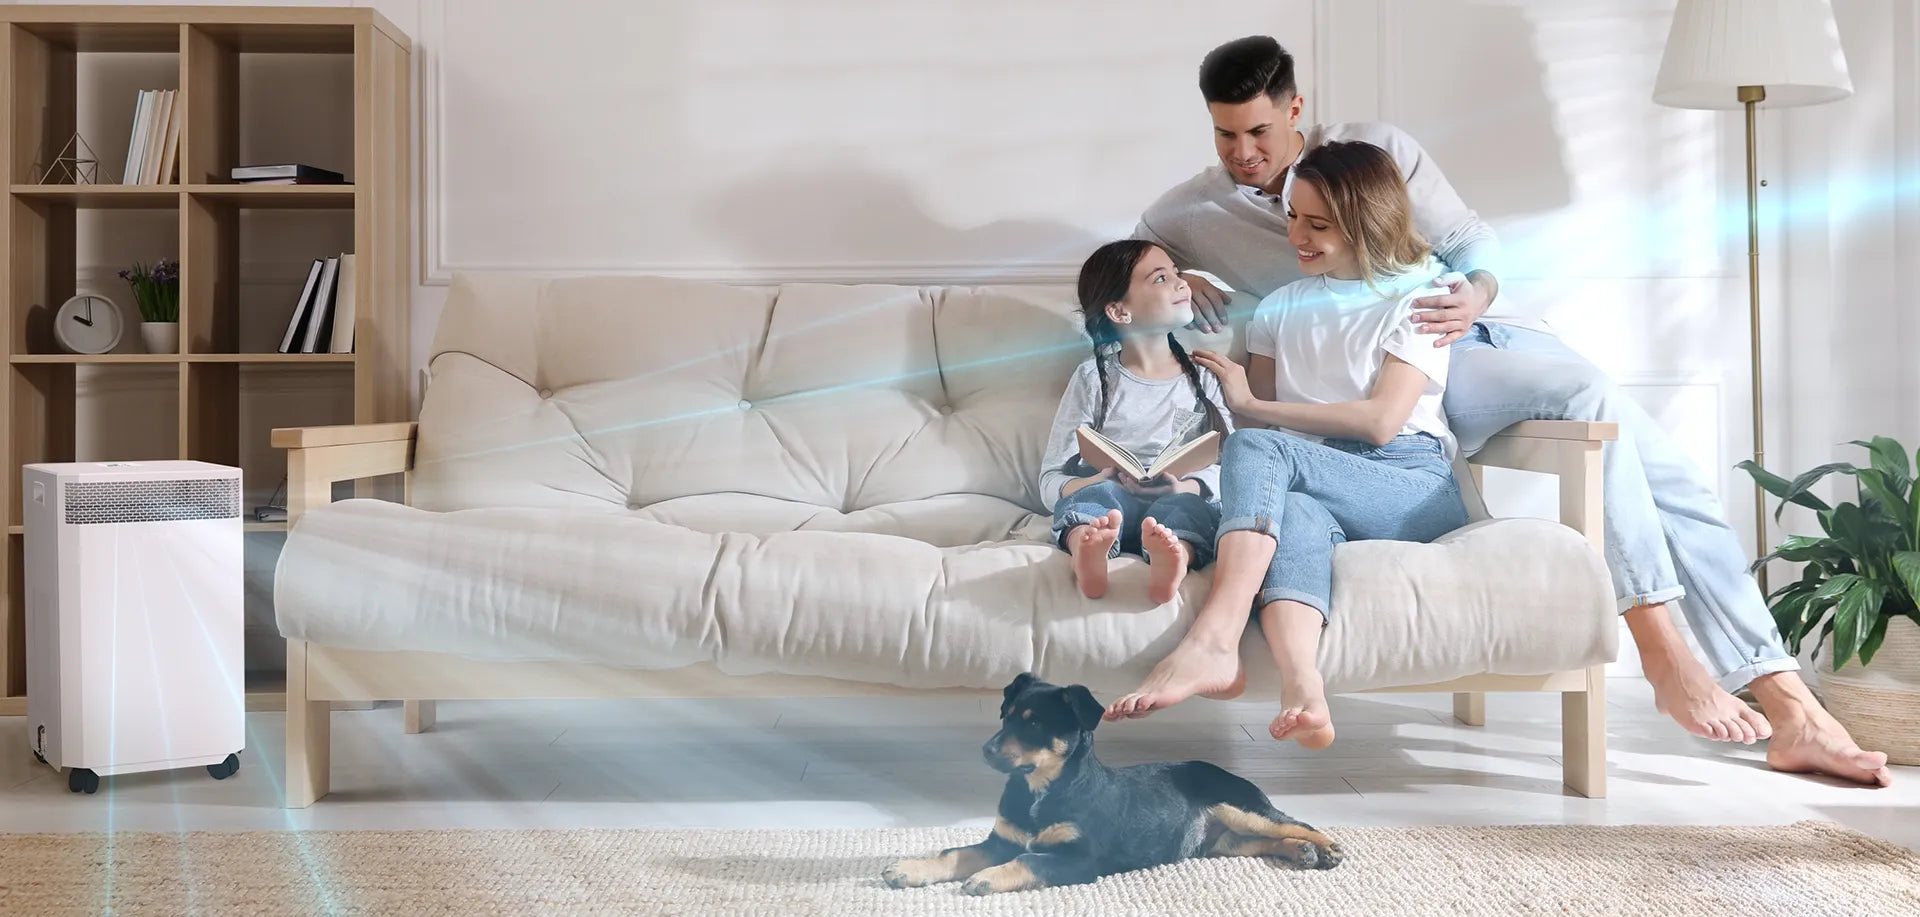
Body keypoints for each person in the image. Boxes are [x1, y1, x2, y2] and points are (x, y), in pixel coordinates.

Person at [1117, 35, 1891, 785]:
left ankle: (1738, 680)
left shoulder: (1373, 149)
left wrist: (1472, 298)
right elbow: (1134, 253)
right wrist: (1181, 271)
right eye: (1226, 135)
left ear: (1296, 108)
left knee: (1648, 455)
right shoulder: (1201, 209)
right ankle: (1758, 696)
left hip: (1462, 338)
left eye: (1259, 129)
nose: (1244, 152)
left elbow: (1471, 242)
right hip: (1377, 380)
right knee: (1613, 429)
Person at [1105, 140, 1470, 746]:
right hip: (1316, 483)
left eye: (1318, 224)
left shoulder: (1426, 296)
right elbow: (1255, 441)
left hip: (1408, 484)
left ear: (1365, 221)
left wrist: (1249, 405)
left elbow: (1382, 421)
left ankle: (1214, 640)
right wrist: (1168, 469)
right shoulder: (1278, 309)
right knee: (1290, 509)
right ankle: (1305, 689)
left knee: (1265, 451)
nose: (1297, 234)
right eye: (1293, 216)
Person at [1041, 240, 1233, 605]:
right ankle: (1088, 548)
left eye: (1177, 273)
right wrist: (1096, 480)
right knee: (1094, 498)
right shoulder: (1092, 379)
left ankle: (1174, 560)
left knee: (1189, 513)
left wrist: (1185, 488)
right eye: (1161, 278)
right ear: (1119, 311)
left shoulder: (1204, 377)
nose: (1182, 284)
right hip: (1111, 501)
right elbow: (1050, 479)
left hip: (1175, 501)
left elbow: (1233, 469)